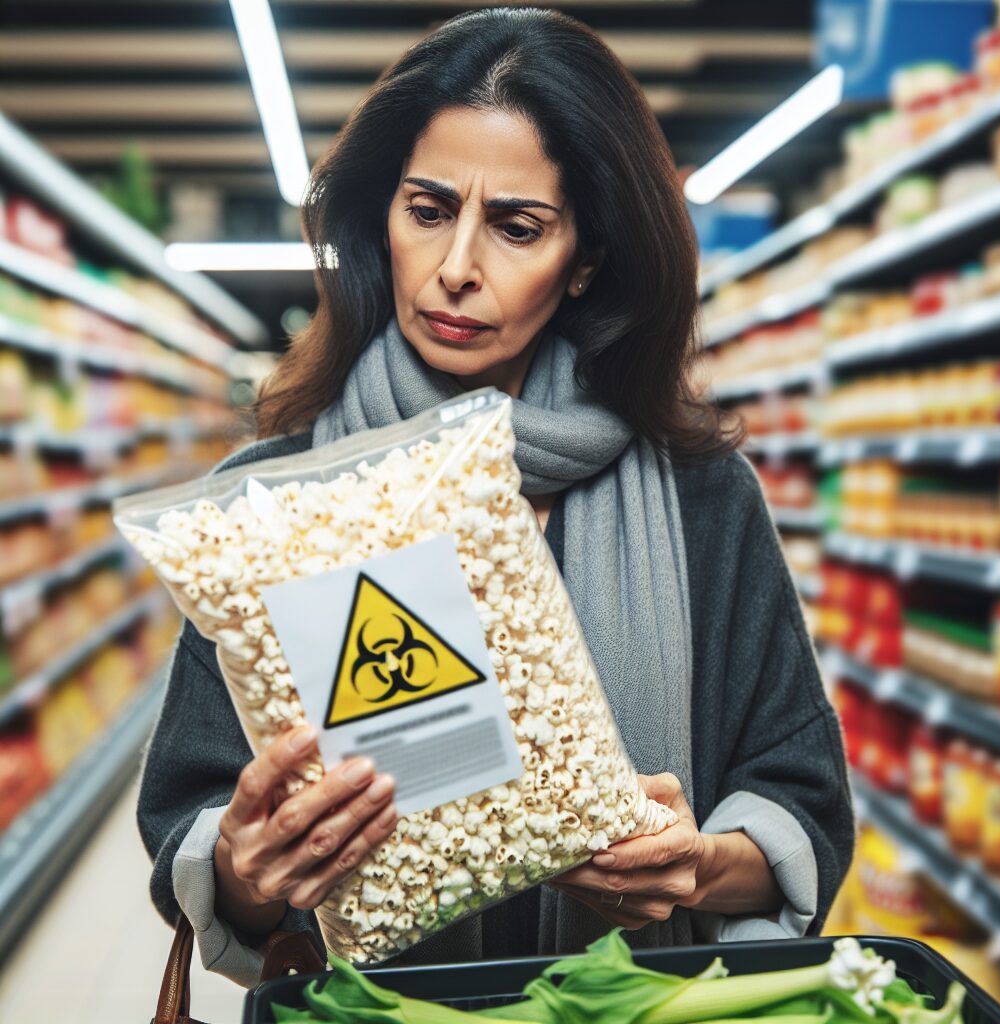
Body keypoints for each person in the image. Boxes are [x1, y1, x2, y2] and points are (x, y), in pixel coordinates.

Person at [137, 5, 854, 988]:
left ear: (586, 261)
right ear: (377, 217)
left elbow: (796, 787)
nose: (457, 267)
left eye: (517, 227)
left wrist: (694, 865)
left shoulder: (699, 498)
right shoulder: (262, 513)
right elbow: (199, 808)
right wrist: (248, 868)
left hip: (633, 1004)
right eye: (427, 210)